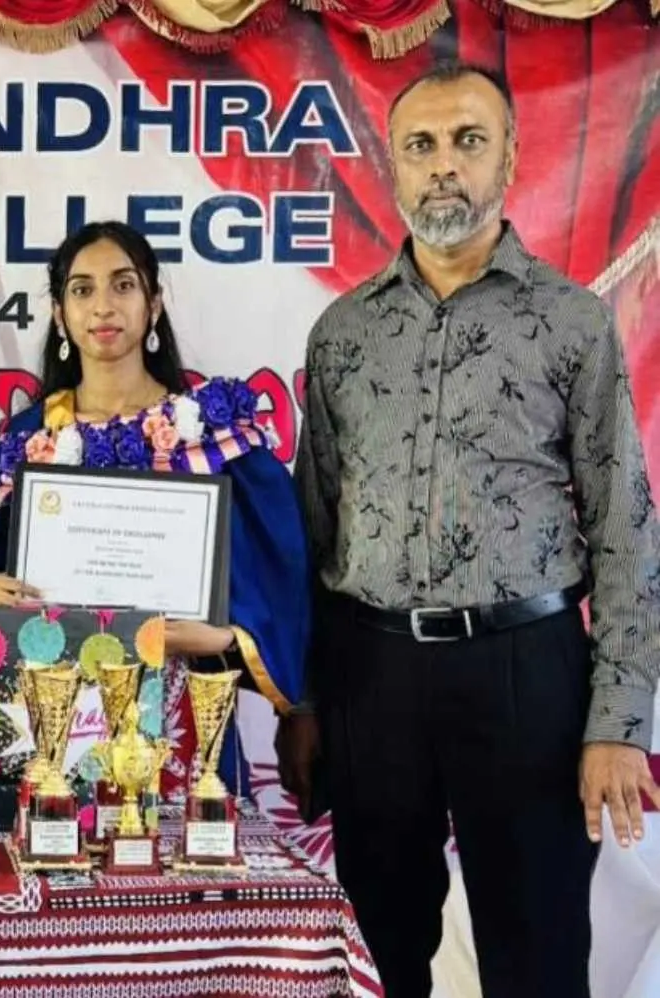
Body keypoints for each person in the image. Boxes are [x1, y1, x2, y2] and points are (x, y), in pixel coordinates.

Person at [282, 62, 660, 998]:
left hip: (524, 671)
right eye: (419, 146)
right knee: (374, 949)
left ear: (509, 157)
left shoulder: (570, 322)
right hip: (372, 679)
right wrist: (306, 701)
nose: (442, 166)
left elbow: (623, 525)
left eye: (466, 141)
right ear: (391, 169)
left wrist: (616, 724)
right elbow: (312, 531)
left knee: (534, 957)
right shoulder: (341, 333)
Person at [0, 219, 309, 790]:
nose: (103, 307)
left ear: (154, 304)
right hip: (54, 722)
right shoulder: (31, 440)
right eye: (82, 289)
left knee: (176, 871)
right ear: (60, 313)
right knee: (55, 857)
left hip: (183, 719)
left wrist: (214, 636)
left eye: (123, 285)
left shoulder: (210, 437)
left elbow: (277, 583)